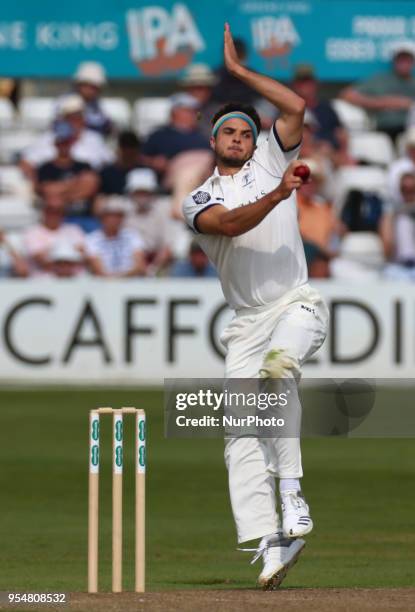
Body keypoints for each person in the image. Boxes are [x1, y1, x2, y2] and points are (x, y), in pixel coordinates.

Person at [182, 24, 329, 589]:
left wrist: (240, 72)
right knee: (240, 435)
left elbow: (295, 106)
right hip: (246, 322)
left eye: (246, 130)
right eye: (230, 132)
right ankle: (273, 540)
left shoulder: (273, 156)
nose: (241, 138)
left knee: (278, 375)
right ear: (215, 142)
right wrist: (278, 194)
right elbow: (233, 223)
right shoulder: (199, 199)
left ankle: (293, 498)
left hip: (296, 302)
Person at [141, 93, 213, 219]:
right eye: (188, 111)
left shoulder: (203, 136)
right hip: (175, 176)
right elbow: (141, 158)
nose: (193, 115)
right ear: (175, 112)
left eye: (194, 111)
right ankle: (184, 215)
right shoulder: (159, 135)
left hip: (204, 175)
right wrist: (154, 162)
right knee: (187, 175)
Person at [21, 94, 113, 181]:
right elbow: (26, 163)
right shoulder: (47, 138)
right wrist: (37, 184)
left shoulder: (94, 139)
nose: (76, 121)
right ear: (62, 119)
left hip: (85, 189)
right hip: (51, 187)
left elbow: (110, 163)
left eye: (79, 116)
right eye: (71, 117)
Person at [340, 41, 415, 141]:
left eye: (407, 59)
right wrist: (383, 102)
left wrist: (409, 104)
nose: (404, 62)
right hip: (384, 129)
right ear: (394, 60)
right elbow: (346, 94)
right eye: (400, 59)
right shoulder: (379, 80)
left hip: (410, 130)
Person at [37, 120, 100, 232]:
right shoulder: (45, 168)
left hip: (85, 217)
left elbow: (90, 187)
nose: (63, 145)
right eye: (61, 142)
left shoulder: (84, 165)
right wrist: (77, 183)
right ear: (55, 143)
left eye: (66, 142)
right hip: (59, 220)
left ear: (72, 142)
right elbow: (49, 191)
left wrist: (61, 195)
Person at [124, 168, 174, 276]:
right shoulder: (124, 214)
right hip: (129, 265)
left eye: (145, 192)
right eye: (138, 192)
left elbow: (167, 248)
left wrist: (152, 269)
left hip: (157, 265)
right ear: (131, 193)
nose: (142, 196)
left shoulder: (162, 212)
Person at [23, 197, 85, 276]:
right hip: (45, 281)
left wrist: (50, 252)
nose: (54, 214)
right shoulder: (32, 232)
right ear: (44, 212)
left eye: (59, 211)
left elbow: (84, 255)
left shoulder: (74, 230)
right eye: (50, 210)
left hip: (75, 279)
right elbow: (40, 260)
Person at [86, 196, 146, 278]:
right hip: (103, 284)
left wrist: (119, 277)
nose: (114, 219)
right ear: (102, 218)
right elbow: (98, 270)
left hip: (132, 281)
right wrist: (115, 279)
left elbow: (140, 266)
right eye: (110, 216)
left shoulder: (132, 235)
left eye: (118, 216)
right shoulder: (91, 239)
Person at [72, 61, 112, 136]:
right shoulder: (65, 103)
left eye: (94, 87)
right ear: (78, 85)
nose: (90, 91)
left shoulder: (98, 106)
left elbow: (107, 128)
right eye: (87, 86)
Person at [99, 130, 142, 196]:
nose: (128, 153)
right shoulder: (106, 173)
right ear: (118, 150)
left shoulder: (144, 172)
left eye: (131, 151)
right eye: (125, 149)